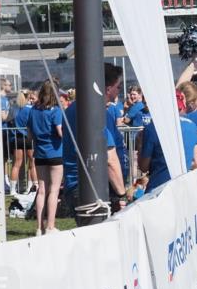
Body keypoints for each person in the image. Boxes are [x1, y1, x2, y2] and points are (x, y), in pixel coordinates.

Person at [62, 64, 127, 215]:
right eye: (118, 87)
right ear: (108, 88)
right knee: (101, 237)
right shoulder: (92, 112)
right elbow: (109, 159)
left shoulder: (77, 109)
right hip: (91, 189)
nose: (119, 91)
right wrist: (121, 194)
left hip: (90, 186)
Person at [138, 88, 197, 192]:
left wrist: (140, 143)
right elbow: (196, 163)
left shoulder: (152, 128)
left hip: (158, 189)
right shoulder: (192, 126)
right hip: (183, 188)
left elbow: (143, 167)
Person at [27, 80, 64, 234]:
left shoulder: (33, 110)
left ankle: (39, 227)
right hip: (55, 152)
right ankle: (50, 226)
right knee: (54, 190)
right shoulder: (56, 110)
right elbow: (60, 131)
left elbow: (29, 134)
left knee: (41, 190)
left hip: (40, 152)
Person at [11, 90, 37, 194]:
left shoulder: (14, 109)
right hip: (28, 137)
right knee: (32, 163)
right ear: (28, 97)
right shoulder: (30, 109)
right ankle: (33, 187)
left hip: (17, 137)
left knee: (16, 164)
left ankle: (13, 189)